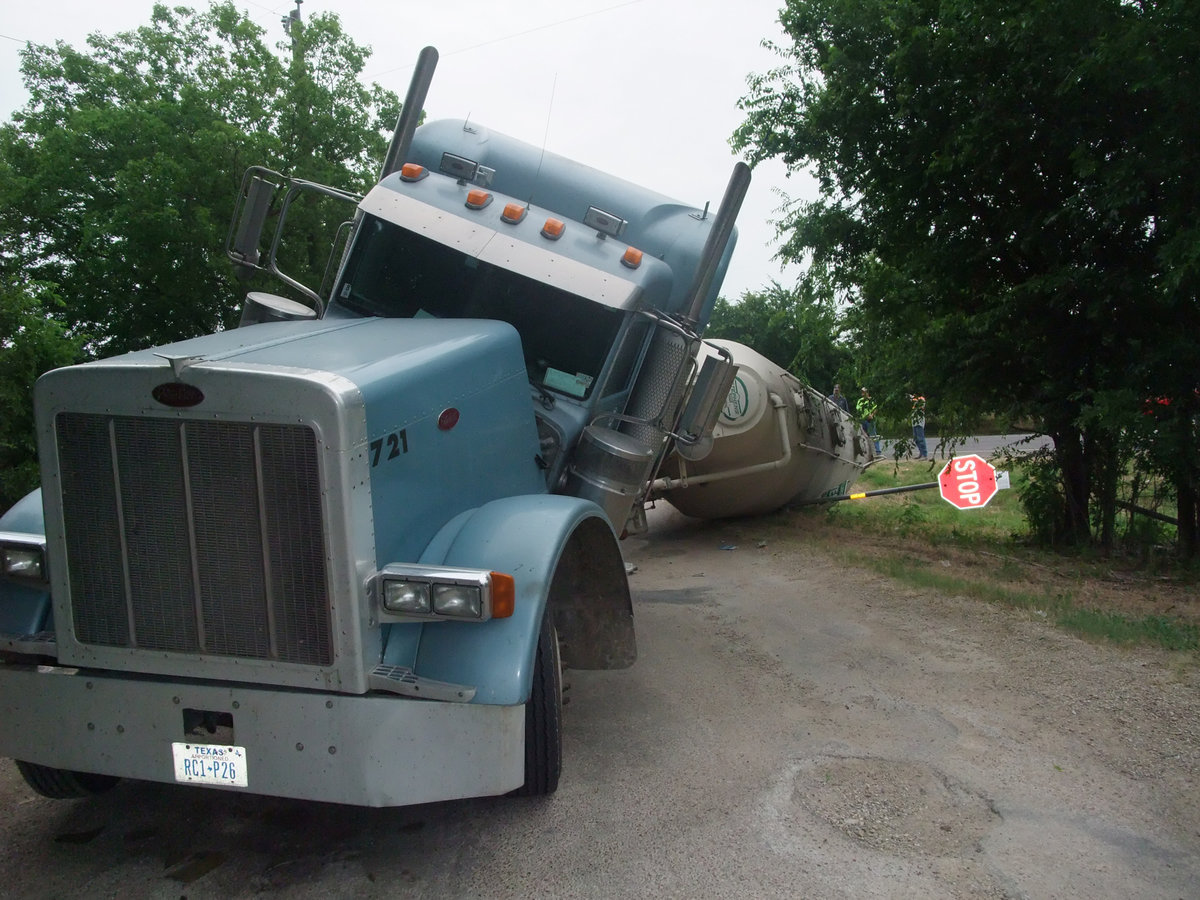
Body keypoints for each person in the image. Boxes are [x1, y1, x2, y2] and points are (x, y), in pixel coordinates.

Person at [857, 387, 881, 453]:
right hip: (862, 419)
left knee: (873, 434)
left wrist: (872, 415)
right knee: (863, 435)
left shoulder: (871, 400)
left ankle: (877, 450)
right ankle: (866, 450)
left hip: (870, 420)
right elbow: (858, 409)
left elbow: (876, 408)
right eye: (862, 392)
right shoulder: (860, 400)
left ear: (867, 393)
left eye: (864, 392)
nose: (863, 394)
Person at [910, 392, 928, 459]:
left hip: (919, 422)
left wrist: (912, 399)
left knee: (920, 438)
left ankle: (924, 454)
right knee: (916, 438)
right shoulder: (914, 399)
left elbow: (919, 405)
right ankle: (921, 452)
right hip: (914, 422)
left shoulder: (921, 399)